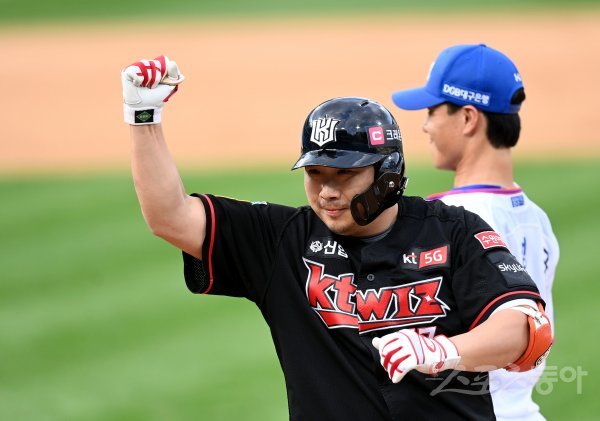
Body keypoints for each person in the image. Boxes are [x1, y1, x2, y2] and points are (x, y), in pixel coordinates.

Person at [121, 55, 553, 420]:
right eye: (315, 173)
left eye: (345, 174)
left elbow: (527, 330)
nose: (327, 191)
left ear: (387, 174)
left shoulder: (453, 230)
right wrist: (144, 118)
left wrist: (441, 351)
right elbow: (170, 217)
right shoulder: (282, 242)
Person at [391, 43, 559, 420]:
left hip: (469, 410)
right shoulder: (536, 217)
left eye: (432, 111)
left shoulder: (448, 220)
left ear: (468, 118)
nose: (425, 125)